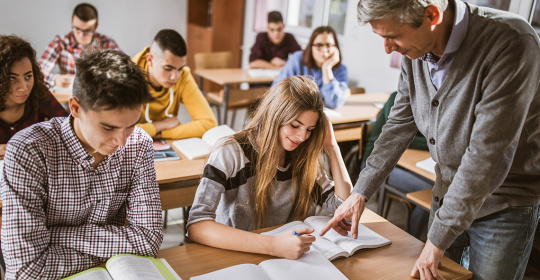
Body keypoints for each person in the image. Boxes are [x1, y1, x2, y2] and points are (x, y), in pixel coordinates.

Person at [320, 0, 540, 279]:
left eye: (392, 36)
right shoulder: (416, 52)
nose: (388, 48)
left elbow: (486, 157)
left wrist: (437, 239)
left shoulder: (511, 42)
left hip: (503, 204)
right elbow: (399, 124)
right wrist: (360, 192)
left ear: (431, 15)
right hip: (447, 192)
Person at [0, 49, 163, 279]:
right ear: (75, 108)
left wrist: (53, 236)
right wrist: (114, 251)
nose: (121, 140)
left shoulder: (139, 144)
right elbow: (28, 270)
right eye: (108, 127)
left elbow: (148, 241)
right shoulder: (28, 151)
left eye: (131, 124)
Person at [187, 76, 353, 259]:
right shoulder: (230, 152)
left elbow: (344, 211)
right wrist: (273, 246)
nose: (302, 137)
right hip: (238, 256)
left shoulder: (303, 156)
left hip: (289, 259)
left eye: (310, 129)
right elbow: (197, 225)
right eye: (295, 125)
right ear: (275, 116)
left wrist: (331, 147)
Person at [361, 91, 431, 240]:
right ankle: (416, 240)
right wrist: (432, 144)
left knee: (438, 189)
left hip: (407, 164)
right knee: (430, 193)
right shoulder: (397, 97)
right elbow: (397, 138)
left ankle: (425, 241)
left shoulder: (431, 103)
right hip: (375, 165)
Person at [133, 29, 217, 139]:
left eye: (180, 69)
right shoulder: (130, 76)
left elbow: (209, 124)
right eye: (168, 68)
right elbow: (123, 132)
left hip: (164, 144)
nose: (175, 77)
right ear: (150, 60)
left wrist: (163, 134)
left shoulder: (183, 76)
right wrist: (160, 125)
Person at [0, 35, 68, 144]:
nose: (23, 87)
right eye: (12, 78)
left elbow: (69, 127)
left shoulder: (39, 92)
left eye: (28, 77)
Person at [39, 3, 121, 88]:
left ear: (96, 27)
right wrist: (55, 79)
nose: (81, 35)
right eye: (77, 29)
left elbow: (125, 72)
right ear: (72, 21)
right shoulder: (61, 42)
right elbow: (38, 72)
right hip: (68, 95)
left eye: (87, 31)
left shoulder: (107, 43)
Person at [272, 26, 348, 109]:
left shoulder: (341, 69)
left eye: (328, 45)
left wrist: (327, 68)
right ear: (311, 46)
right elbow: (276, 90)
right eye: (319, 45)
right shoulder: (297, 59)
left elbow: (334, 103)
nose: (324, 50)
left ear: (335, 47)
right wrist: (316, 103)